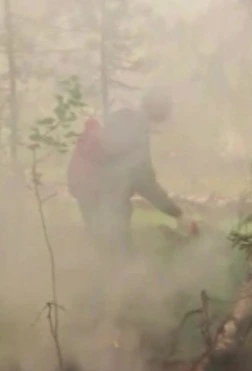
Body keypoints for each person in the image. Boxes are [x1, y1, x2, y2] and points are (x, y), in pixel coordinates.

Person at [67, 87, 195, 260]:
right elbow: (145, 183)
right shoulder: (138, 131)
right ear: (160, 111)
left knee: (100, 241)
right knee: (119, 247)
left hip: (84, 185)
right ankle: (122, 279)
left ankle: (101, 278)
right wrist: (177, 213)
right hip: (106, 193)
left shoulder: (120, 117)